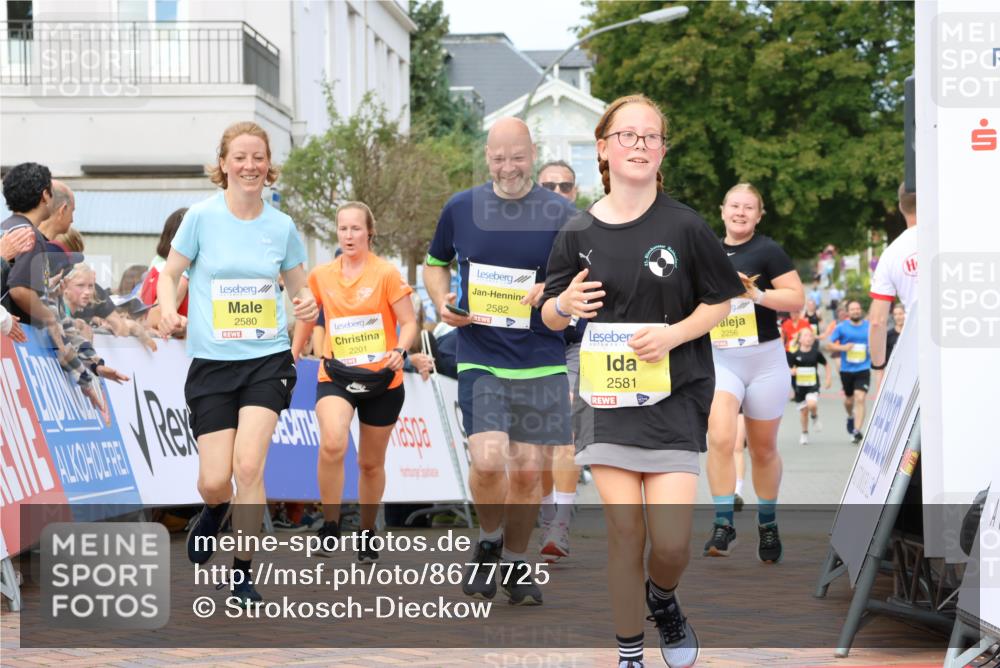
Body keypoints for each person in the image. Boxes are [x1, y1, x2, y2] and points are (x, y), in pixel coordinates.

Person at [542, 94, 744, 668]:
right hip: (603, 399)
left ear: (661, 152)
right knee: (626, 530)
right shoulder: (576, 231)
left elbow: (722, 302)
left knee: (674, 543)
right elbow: (551, 315)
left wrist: (674, 335)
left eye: (650, 137)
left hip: (674, 396)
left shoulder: (684, 226)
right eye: (626, 136)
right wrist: (564, 302)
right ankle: (630, 652)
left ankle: (663, 598)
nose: (639, 145)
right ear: (603, 149)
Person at [157, 121, 318, 606]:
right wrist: (168, 307)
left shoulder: (282, 226)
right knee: (214, 479)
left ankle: (244, 572)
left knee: (250, 466)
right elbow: (171, 274)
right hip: (212, 364)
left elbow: (299, 290)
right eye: (241, 157)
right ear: (223, 164)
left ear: (269, 167)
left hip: (266, 361)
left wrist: (307, 308)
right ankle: (214, 507)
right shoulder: (201, 218)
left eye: (259, 158)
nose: (250, 166)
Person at [424, 117, 577, 607]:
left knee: (530, 471)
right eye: (497, 158)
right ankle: (489, 540)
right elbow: (434, 263)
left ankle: (514, 561)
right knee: (489, 461)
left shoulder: (562, 212)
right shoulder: (462, 207)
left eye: (517, 157)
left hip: (541, 356)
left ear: (532, 153)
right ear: (485, 156)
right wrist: (443, 301)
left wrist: (551, 289)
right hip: (481, 354)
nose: (507, 167)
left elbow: (589, 275)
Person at [291, 201, 417, 562]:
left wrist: (400, 349)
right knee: (333, 443)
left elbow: (408, 322)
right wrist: (293, 353)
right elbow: (307, 317)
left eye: (355, 229)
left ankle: (366, 529)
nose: (348, 235)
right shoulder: (321, 275)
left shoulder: (387, 273)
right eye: (342, 228)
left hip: (382, 379)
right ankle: (330, 525)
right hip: (337, 374)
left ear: (369, 233)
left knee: (370, 464)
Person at [704, 183, 804, 564]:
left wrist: (757, 296)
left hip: (764, 359)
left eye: (749, 207)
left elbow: (796, 299)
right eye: (735, 206)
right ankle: (723, 522)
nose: (741, 212)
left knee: (762, 449)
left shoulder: (768, 250)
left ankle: (767, 522)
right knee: (722, 437)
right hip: (720, 357)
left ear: (759, 215)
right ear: (723, 209)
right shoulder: (708, 250)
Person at [535, 159, 582, 564]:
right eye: (548, 185)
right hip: (527, 347)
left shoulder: (593, 230)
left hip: (574, 346)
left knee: (563, 428)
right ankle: (547, 514)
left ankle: (559, 525)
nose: (556, 192)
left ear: (575, 192)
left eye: (564, 186)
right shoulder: (518, 233)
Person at [869, 184, 917, 381]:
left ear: (900, 206)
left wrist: (879, 367)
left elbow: (877, 321)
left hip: (917, 350)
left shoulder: (892, 254)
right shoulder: (954, 238)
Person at [61, 263, 157, 351]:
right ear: (65, 286)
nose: (87, 292)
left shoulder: (97, 293)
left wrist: (131, 326)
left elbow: (121, 329)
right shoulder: (56, 306)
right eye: (80, 285)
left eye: (90, 286)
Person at [828, 300, 871, 444]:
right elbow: (829, 345)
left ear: (861, 310)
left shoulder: (869, 327)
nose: (856, 311)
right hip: (847, 370)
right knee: (848, 401)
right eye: (853, 309)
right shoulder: (841, 328)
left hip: (863, 368)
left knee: (860, 398)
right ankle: (850, 416)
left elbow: (877, 341)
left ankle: (857, 431)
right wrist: (843, 348)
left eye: (858, 309)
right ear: (848, 312)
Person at [787, 328, 831, 445]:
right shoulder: (794, 354)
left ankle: (815, 417)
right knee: (803, 412)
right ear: (800, 339)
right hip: (799, 388)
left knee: (811, 404)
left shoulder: (816, 353)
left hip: (813, 385)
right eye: (806, 336)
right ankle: (804, 433)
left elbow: (826, 364)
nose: (809, 338)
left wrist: (828, 379)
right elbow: (789, 368)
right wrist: (791, 371)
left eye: (811, 336)